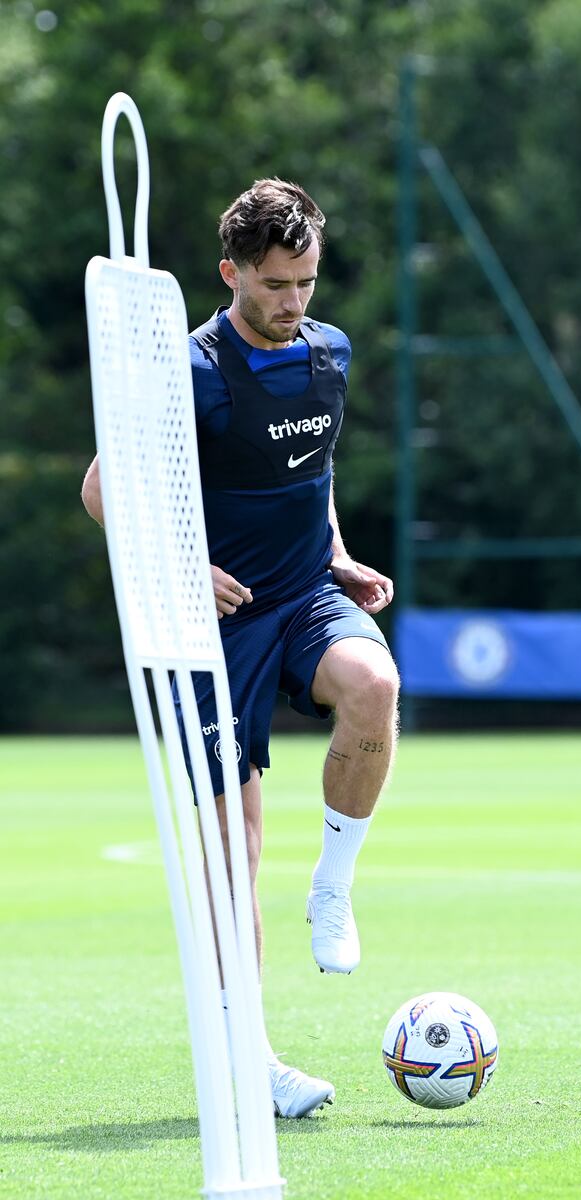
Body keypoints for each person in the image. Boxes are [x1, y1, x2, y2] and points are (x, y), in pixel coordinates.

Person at [81, 177, 400, 1118]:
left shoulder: (330, 353)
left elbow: (317, 472)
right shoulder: (188, 369)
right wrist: (179, 571)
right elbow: (105, 491)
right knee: (233, 854)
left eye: (304, 281)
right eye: (273, 285)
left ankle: (333, 891)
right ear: (231, 274)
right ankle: (250, 1063)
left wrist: (336, 555)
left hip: (303, 596)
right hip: (207, 628)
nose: (293, 302)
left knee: (374, 682)